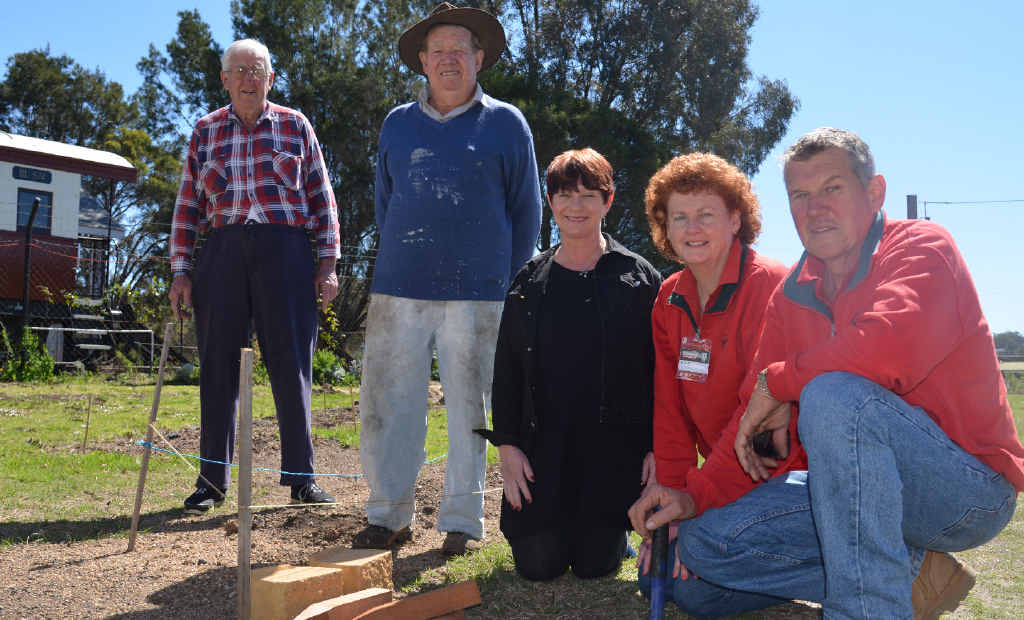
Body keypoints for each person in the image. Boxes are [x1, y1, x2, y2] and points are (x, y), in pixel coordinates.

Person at [630, 127, 1024, 619]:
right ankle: (911, 573)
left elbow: (883, 353)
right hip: (857, 489)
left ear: (874, 192)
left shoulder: (923, 247)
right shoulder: (794, 292)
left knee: (835, 396)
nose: (815, 208)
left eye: (832, 188)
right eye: (800, 195)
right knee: (703, 548)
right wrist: (691, 498)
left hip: (964, 491)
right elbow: (749, 428)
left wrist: (776, 383)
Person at [354, 3, 542, 557]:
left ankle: (462, 520)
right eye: (438, 51)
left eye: (460, 50)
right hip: (398, 287)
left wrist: (512, 284)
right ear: (422, 61)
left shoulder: (507, 124)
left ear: (479, 59)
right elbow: (386, 201)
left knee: (471, 408)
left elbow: (526, 210)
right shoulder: (397, 123)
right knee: (389, 404)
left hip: (480, 292)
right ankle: (387, 515)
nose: (449, 60)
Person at [169, 39, 341, 513]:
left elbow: (322, 200)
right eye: (240, 70)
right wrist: (181, 271)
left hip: (284, 251)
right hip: (221, 253)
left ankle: (302, 477)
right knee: (217, 366)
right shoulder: (205, 131)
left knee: (292, 365)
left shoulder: (295, 125)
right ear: (224, 79)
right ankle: (211, 482)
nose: (249, 78)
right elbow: (186, 208)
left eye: (258, 70)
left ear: (270, 79)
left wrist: (327, 265)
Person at [477, 147, 662, 580]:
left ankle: (611, 534)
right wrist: (507, 447)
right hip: (544, 449)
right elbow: (506, 370)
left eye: (588, 195)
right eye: (564, 194)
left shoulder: (638, 279)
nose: (575, 207)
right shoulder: (528, 281)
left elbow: (660, 373)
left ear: (608, 201)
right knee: (539, 567)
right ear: (550, 201)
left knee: (596, 567)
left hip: (612, 451)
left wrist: (656, 448)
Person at [634, 153, 787, 579]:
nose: (692, 228)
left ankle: (899, 566)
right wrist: (673, 502)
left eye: (706, 214)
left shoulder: (770, 286)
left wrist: (696, 501)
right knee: (659, 577)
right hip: (723, 475)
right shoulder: (668, 299)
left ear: (735, 219)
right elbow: (670, 414)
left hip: (780, 471)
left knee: (700, 568)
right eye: (680, 217)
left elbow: (754, 416)